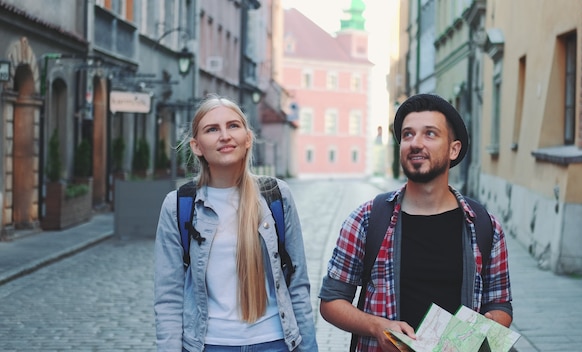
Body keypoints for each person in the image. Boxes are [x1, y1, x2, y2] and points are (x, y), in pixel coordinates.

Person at [319, 93, 513, 351]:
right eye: (408, 135)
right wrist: (377, 326)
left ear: (453, 149)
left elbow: (500, 304)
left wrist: (484, 329)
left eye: (430, 134)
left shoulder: (484, 226)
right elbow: (331, 301)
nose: (415, 143)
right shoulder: (366, 220)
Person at [154, 95, 318, 352]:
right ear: (197, 146)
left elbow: (297, 284)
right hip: (209, 344)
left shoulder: (277, 197)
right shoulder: (178, 206)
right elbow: (168, 297)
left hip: (274, 342)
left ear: (247, 138)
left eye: (233, 126)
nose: (224, 135)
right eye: (212, 129)